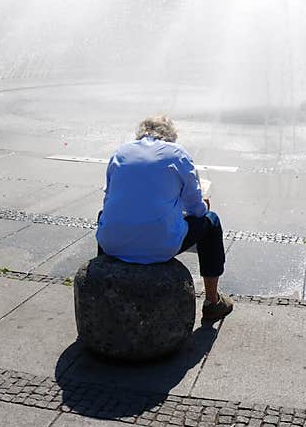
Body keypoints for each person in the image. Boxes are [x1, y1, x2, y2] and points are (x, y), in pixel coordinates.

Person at [96, 115, 234, 324]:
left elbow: (109, 201)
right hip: (160, 246)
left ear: (140, 133)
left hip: (112, 244)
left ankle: (101, 280)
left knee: (106, 217)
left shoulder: (121, 153)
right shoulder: (178, 155)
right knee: (211, 222)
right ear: (171, 136)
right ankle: (213, 303)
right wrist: (205, 204)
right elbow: (196, 210)